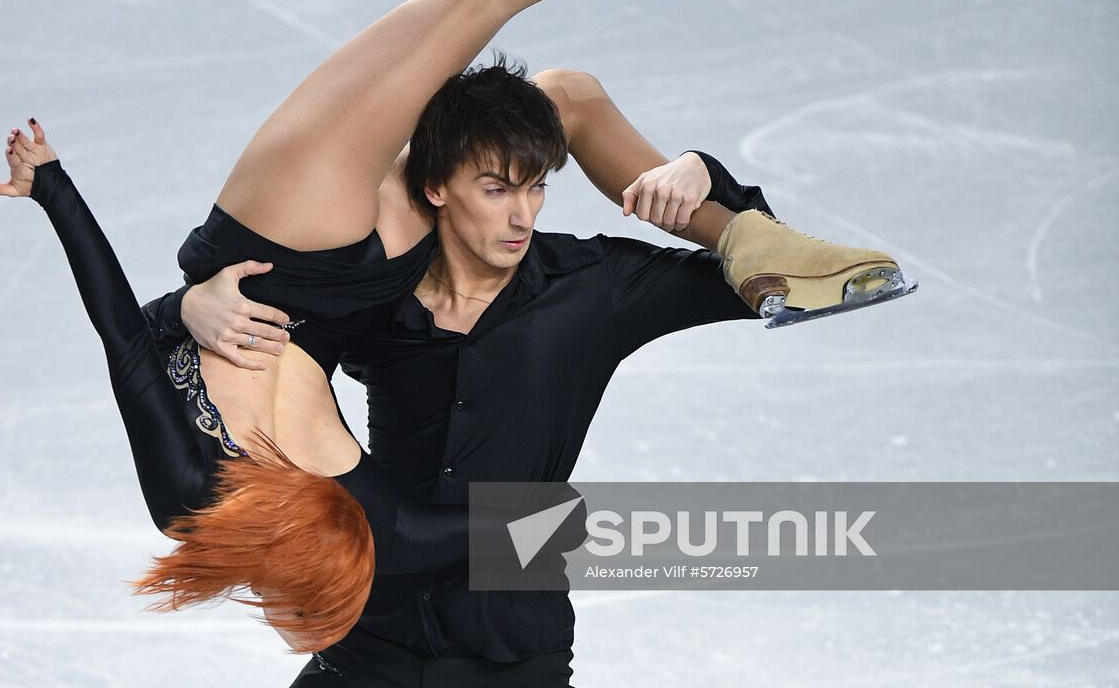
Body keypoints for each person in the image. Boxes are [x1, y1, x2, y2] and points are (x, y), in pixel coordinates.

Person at [0, 0, 906, 662]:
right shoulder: (364, 526)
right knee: (494, 14)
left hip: (287, 240)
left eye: (304, 619)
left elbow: (125, 338)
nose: (293, 637)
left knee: (524, 62)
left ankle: (740, 207)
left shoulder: (187, 499)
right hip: (352, 272)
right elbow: (472, 530)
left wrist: (151, 274)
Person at [176, 61, 906, 685]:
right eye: (497, 189)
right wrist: (192, 303)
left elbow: (767, 278)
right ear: (436, 187)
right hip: (372, 636)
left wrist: (705, 179)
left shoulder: (595, 286)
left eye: (535, 188)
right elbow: (250, 323)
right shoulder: (375, 295)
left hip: (514, 648)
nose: (521, 216)